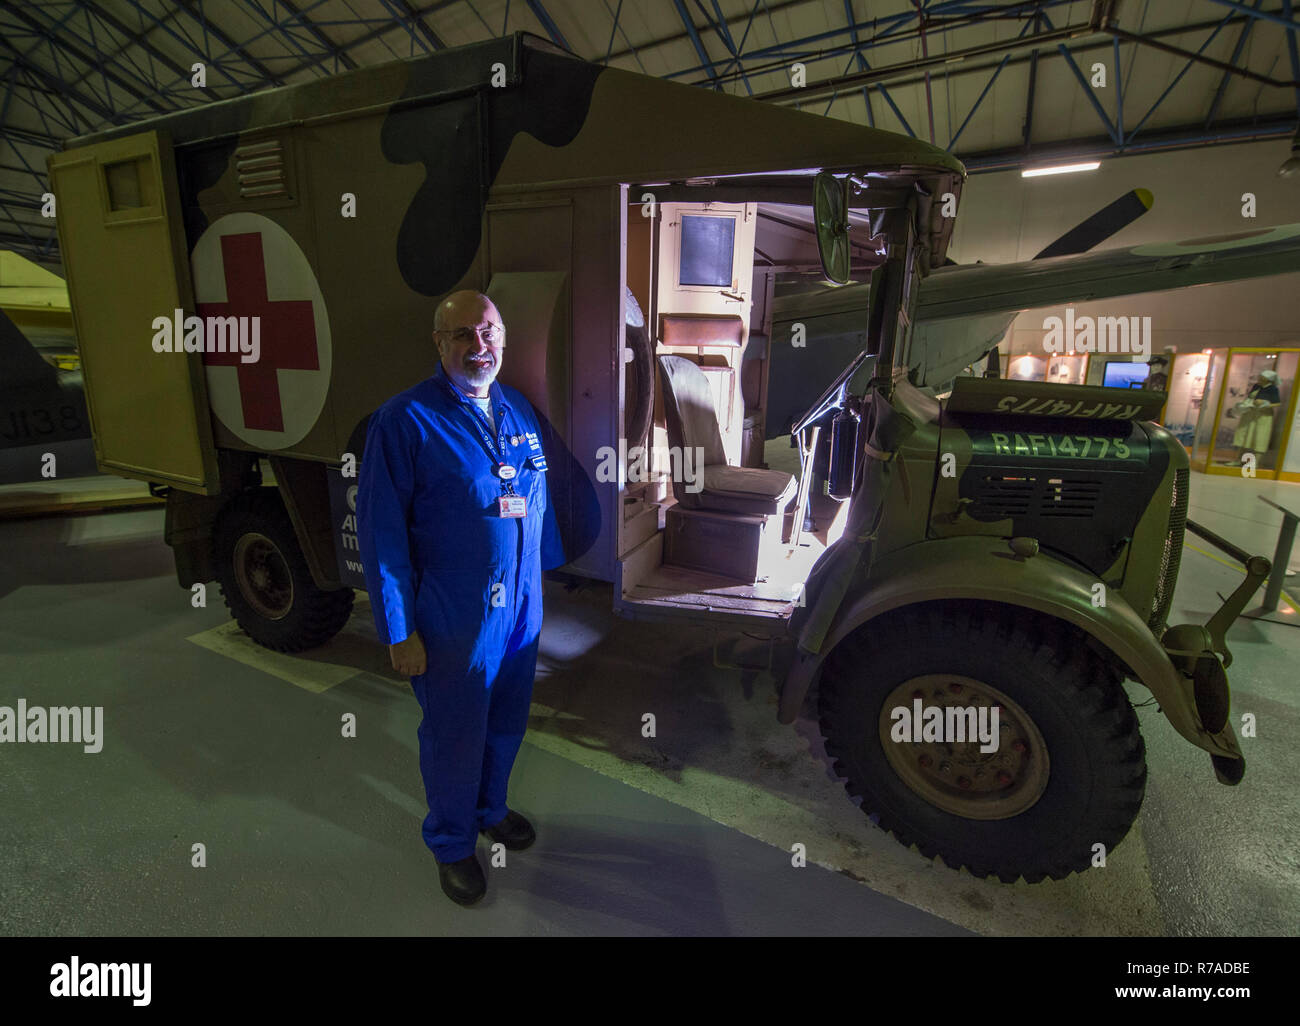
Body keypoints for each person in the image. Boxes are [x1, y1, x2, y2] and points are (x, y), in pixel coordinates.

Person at [356, 290, 564, 906]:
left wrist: (542, 587)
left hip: (521, 605)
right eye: (463, 336)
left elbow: (534, 500)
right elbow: (382, 534)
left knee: (505, 721)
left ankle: (490, 807)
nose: (480, 346)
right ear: (438, 344)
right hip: (454, 611)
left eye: (490, 332)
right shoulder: (404, 421)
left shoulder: (517, 409)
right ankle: (451, 841)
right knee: (454, 732)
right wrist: (399, 628)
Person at [1230, 367, 1282, 465]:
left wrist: (1265, 404)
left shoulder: (1273, 389)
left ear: (1267, 379)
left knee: (1260, 437)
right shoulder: (1256, 386)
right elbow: (1250, 397)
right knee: (1244, 435)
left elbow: (1277, 403)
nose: (1259, 378)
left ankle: (1256, 463)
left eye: (1261, 377)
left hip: (1263, 416)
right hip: (1250, 413)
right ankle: (1239, 460)